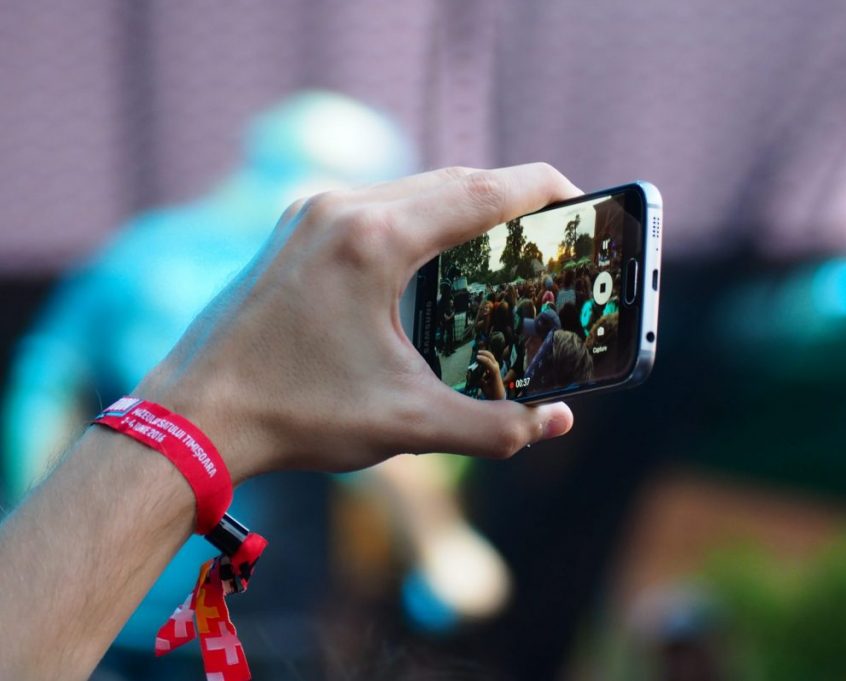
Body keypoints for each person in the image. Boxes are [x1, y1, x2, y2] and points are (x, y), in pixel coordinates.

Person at [0, 163, 578, 681]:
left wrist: (45, 533)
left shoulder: (135, 250)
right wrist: (442, 548)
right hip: (255, 625)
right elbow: (384, 472)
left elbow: (43, 385)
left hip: (113, 615)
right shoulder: (296, 275)